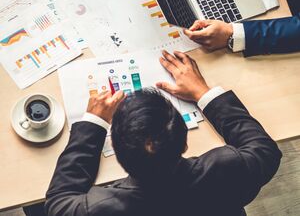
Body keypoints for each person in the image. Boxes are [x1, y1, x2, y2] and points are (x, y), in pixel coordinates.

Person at [45, 50, 281, 216]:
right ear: (184, 144)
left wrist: (93, 123)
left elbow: (59, 202)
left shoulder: (101, 208)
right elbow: (265, 150)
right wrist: (203, 93)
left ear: (117, 152)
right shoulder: (229, 169)